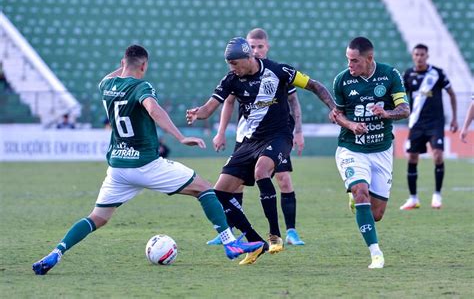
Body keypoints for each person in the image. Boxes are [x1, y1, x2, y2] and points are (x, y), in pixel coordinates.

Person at [32, 45, 263, 275]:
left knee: (97, 217)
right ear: (144, 66)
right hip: (146, 164)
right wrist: (181, 137)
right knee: (204, 189)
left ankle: (56, 252)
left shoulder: (106, 85)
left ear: (123, 63)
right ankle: (229, 242)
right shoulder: (142, 86)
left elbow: (115, 73)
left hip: (118, 168)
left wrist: (126, 64)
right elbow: (154, 110)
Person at [186, 37, 335, 265]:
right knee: (218, 195)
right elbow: (210, 107)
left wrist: (335, 109)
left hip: (279, 135)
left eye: (234, 63)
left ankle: (275, 235)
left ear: (249, 58)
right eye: (229, 64)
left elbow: (315, 86)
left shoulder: (279, 70)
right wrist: (198, 114)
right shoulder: (232, 79)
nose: (231, 68)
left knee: (261, 170)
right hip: (249, 141)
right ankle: (255, 243)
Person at [207, 28, 305, 246]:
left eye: (260, 46)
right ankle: (232, 230)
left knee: (283, 178)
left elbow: (294, 101)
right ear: (246, 50)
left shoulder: (278, 72)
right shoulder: (238, 74)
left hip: (277, 134)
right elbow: (228, 102)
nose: (256, 50)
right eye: (252, 46)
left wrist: (298, 131)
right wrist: (221, 132)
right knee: (234, 184)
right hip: (248, 136)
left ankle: (289, 231)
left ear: (266, 47)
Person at [330, 37, 410, 269]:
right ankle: (376, 254)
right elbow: (338, 113)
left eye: (354, 61)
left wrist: (387, 114)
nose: (350, 65)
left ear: (369, 58)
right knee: (361, 191)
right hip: (351, 148)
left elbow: (405, 109)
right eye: (348, 60)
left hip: (381, 150)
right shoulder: (342, 81)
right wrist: (350, 124)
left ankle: (356, 200)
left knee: (376, 215)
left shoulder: (390, 75)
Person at [399, 44, 458, 210]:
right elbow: (401, 96)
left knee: (438, 156)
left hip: (435, 123)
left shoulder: (437, 73)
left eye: (422, 54)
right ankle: (413, 198)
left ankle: (437, 195)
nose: (419, 57)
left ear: (427, 56)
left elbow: (451, 94)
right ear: (413, 56)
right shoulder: (408, 74)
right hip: (416, 123)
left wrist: (454, 119)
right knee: (412, 158)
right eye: (416, 54)